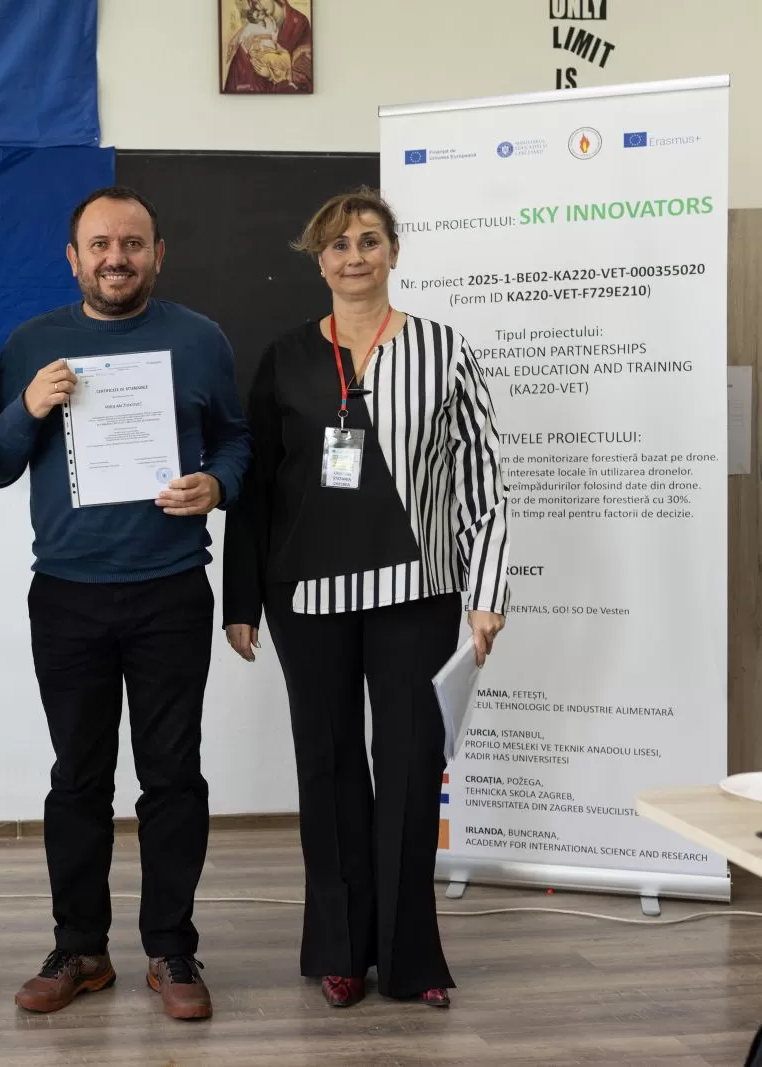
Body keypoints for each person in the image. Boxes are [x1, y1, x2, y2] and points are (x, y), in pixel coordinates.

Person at [223, 188, 510, 1009]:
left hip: (417, 591)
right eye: (339, 244)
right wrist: (239, 599)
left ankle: (411, 957)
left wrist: (487, 592)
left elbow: (483, 475)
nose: (355, 256)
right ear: (319, 260)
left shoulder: (444, 349)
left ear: (393, 251)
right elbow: (257, 486)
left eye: (370, 240)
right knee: (328, 764)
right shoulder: (285, 357)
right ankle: (341, 950)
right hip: (305, 596)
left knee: (413, 767)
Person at [0, 186, 252, 1021]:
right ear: (74, 258)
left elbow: (236, 438)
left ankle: (171, 946)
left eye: (132, 243)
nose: (116, 257)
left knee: (172, 776)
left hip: (171, 589)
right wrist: (27, 408)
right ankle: (80, 947)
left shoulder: (199, 338)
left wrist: (217, 484)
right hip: (67, 594)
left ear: (157, 254)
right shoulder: (33, 343)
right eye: (99, 244)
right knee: (78, 779)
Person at [222, 0, 313, 94]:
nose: (258, 7)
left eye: (258, 1)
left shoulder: (299, 23)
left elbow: (304, 77)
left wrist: (271, 74)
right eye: (254, 3)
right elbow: (238, 77)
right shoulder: (253, 28)